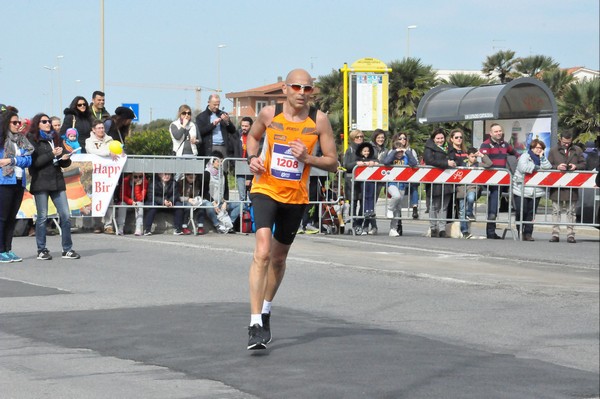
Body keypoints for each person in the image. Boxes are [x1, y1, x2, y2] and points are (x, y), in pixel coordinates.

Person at [245, 68, 338, 350]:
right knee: (262, 251)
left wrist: (308, 157)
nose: (301, 93)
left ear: (313, 92)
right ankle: (254, 323)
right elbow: (252, 138)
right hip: (265, 188)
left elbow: (334, 162)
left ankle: (266, 310)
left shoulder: (318, 120)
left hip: (296, 197)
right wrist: (252, 158)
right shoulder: (269, 114)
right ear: (285, 89)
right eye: (296, 87)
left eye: (307, 89)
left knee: (278, 258)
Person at [27, 113, 80, 260]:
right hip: (41, 182)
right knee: (42, 217)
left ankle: (67, 249)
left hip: (57, 180)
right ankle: (42, 249)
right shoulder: (32, 139)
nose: (48, 124)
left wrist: (65, 159)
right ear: (37, 123)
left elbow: (61, 161)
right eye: (44, 121)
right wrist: (52, 154)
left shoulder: (55, 137)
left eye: (49, 121)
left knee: (65, 215)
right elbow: (35, 163)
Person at [0, 111, 34, 263]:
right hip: (5, 181)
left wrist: (12, 160)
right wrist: (13, 160)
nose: (18, 125)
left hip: (19, 181)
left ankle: (8, 249)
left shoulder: (21, 140)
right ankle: (1, 250)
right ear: (6, 123)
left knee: (12, 218)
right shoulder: (2, 140)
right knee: (2, 218)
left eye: (19, 122)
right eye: (14, 122)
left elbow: (28, 160)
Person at [479, 123, 517, 239]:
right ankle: (490, 232)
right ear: (490, 133)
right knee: (493, 205)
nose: (498, 133)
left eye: (500, 131)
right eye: (496, 131)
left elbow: (515, 153)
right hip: (491, 180)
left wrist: (522, 158)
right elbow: (486, 161)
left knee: (496, 204)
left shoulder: (505, 144)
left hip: (502, 180)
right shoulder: (485, 145)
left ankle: (492, 231)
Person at [547, 131, 586, 243]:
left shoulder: (577, 150)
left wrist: (576, 166)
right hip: (557, 186)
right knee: (556, 211)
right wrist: (557, 166)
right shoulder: (553, 150)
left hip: (571, 187)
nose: (567, 144)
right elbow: (548, 166)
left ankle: (571, 234)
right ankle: (555, 234)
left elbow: (583, 164)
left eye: (568, 142)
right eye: (564, 142)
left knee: (571, 211)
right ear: (560, 139)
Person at [512, 139, 552, 241]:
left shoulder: (542, 157)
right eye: (537, 148)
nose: (539, 150)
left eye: (541, 148)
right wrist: (537, 167)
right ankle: (520, 230)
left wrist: (542, 158)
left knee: (531, 213)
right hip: (521, 189)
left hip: (536, 191)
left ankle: (528, 233)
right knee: (522, 211)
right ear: (532, 148)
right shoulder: (525, 156)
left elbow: (548, 167)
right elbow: (523, 168)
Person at [85, 120, 119, 234]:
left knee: (109, 199)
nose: (101, 130)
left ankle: (108, 225)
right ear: (93, 130)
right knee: (96, 199)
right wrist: (108, 152)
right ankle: (97, 224)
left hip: (108, 175)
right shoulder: (89, 141)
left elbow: (117, 150)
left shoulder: (110, 140)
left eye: (102, 128)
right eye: (99, 128)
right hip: (95, 174)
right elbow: (92, 151)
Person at [382, 135, 418, 237]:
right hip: (392, 183)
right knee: (396, 196)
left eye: (400, 152)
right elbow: (386, 162)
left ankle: (393, 228)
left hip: (402, 185)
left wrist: (406, 151)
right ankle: (389, 209)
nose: (399, 154)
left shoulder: (406, 157)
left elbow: (414, 163)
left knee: (398, 208)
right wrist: (394, 151)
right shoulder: (391, 156)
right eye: (397, 152)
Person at [423, 128, 456, 238]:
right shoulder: (429, 148)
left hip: (447, 180)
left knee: (444, 206)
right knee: (433, 205)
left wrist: (451, 162)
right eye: (438, 138)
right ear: (433, 138)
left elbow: (453, 158)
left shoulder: (449, 147)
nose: (440, 140)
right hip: (433, 180)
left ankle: (442, 229)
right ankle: (433, 228)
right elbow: (429, 160)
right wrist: (446, 163)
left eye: (442, 138)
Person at [201, 151, 240, 233]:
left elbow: (226, 189)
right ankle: (217, 225)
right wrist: (213, 203)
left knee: (240, 205)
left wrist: (225, 201)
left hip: (221, 202)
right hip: (210, 201)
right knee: (208, 206)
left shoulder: (223, 173)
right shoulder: (206, 173)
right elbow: (204, 191)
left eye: (222, 161)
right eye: (219, 161)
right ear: (212, 161)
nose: (221, 163)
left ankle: (230, 224)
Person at [457, 147, 492, 239]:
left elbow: (489, 164)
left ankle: (470, 212)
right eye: (472, 156)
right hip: (462, 189)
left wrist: (481, 155)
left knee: (471, 198)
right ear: (468, 156)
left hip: (473, 187)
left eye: (475, 157)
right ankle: (464, 231)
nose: (474, 159)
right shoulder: (462, 164)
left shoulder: (478, 164)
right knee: (461, 211)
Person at [354, 141, 379, 235]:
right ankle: (366, 212)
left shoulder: (373, 159)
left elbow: (378, 162)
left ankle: (370, 212)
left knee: (371, 196)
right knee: (365, 197)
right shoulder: (358, 159)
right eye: (364, 151)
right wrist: (361, 163)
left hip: (371, 182)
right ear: (361, 152)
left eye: (368, 151)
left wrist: (374, 163)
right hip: (363, 182)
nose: (366, 153)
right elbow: (354, 163)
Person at [230, 116, 254, 201]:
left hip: (251, 169)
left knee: (251, 196)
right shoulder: (237, 136)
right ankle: (242, 213)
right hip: (239, 168)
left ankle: (251, 213)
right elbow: (231, 150)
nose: (244, 128)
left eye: (246, 126)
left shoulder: (254, 137)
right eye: (242, 125)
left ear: (251, 126)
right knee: (242, 195)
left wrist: (249, 177)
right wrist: (234, 164)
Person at [397, 132, 420, 219]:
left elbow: (415, 163)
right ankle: (398, 217)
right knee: (398, 195)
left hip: (410, 175)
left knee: (414, 188)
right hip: (398, 178)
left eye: (404, 138)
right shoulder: (394, 150)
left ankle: (414, 208)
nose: (403, 140)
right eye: (400, 138)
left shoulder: (411, 151)